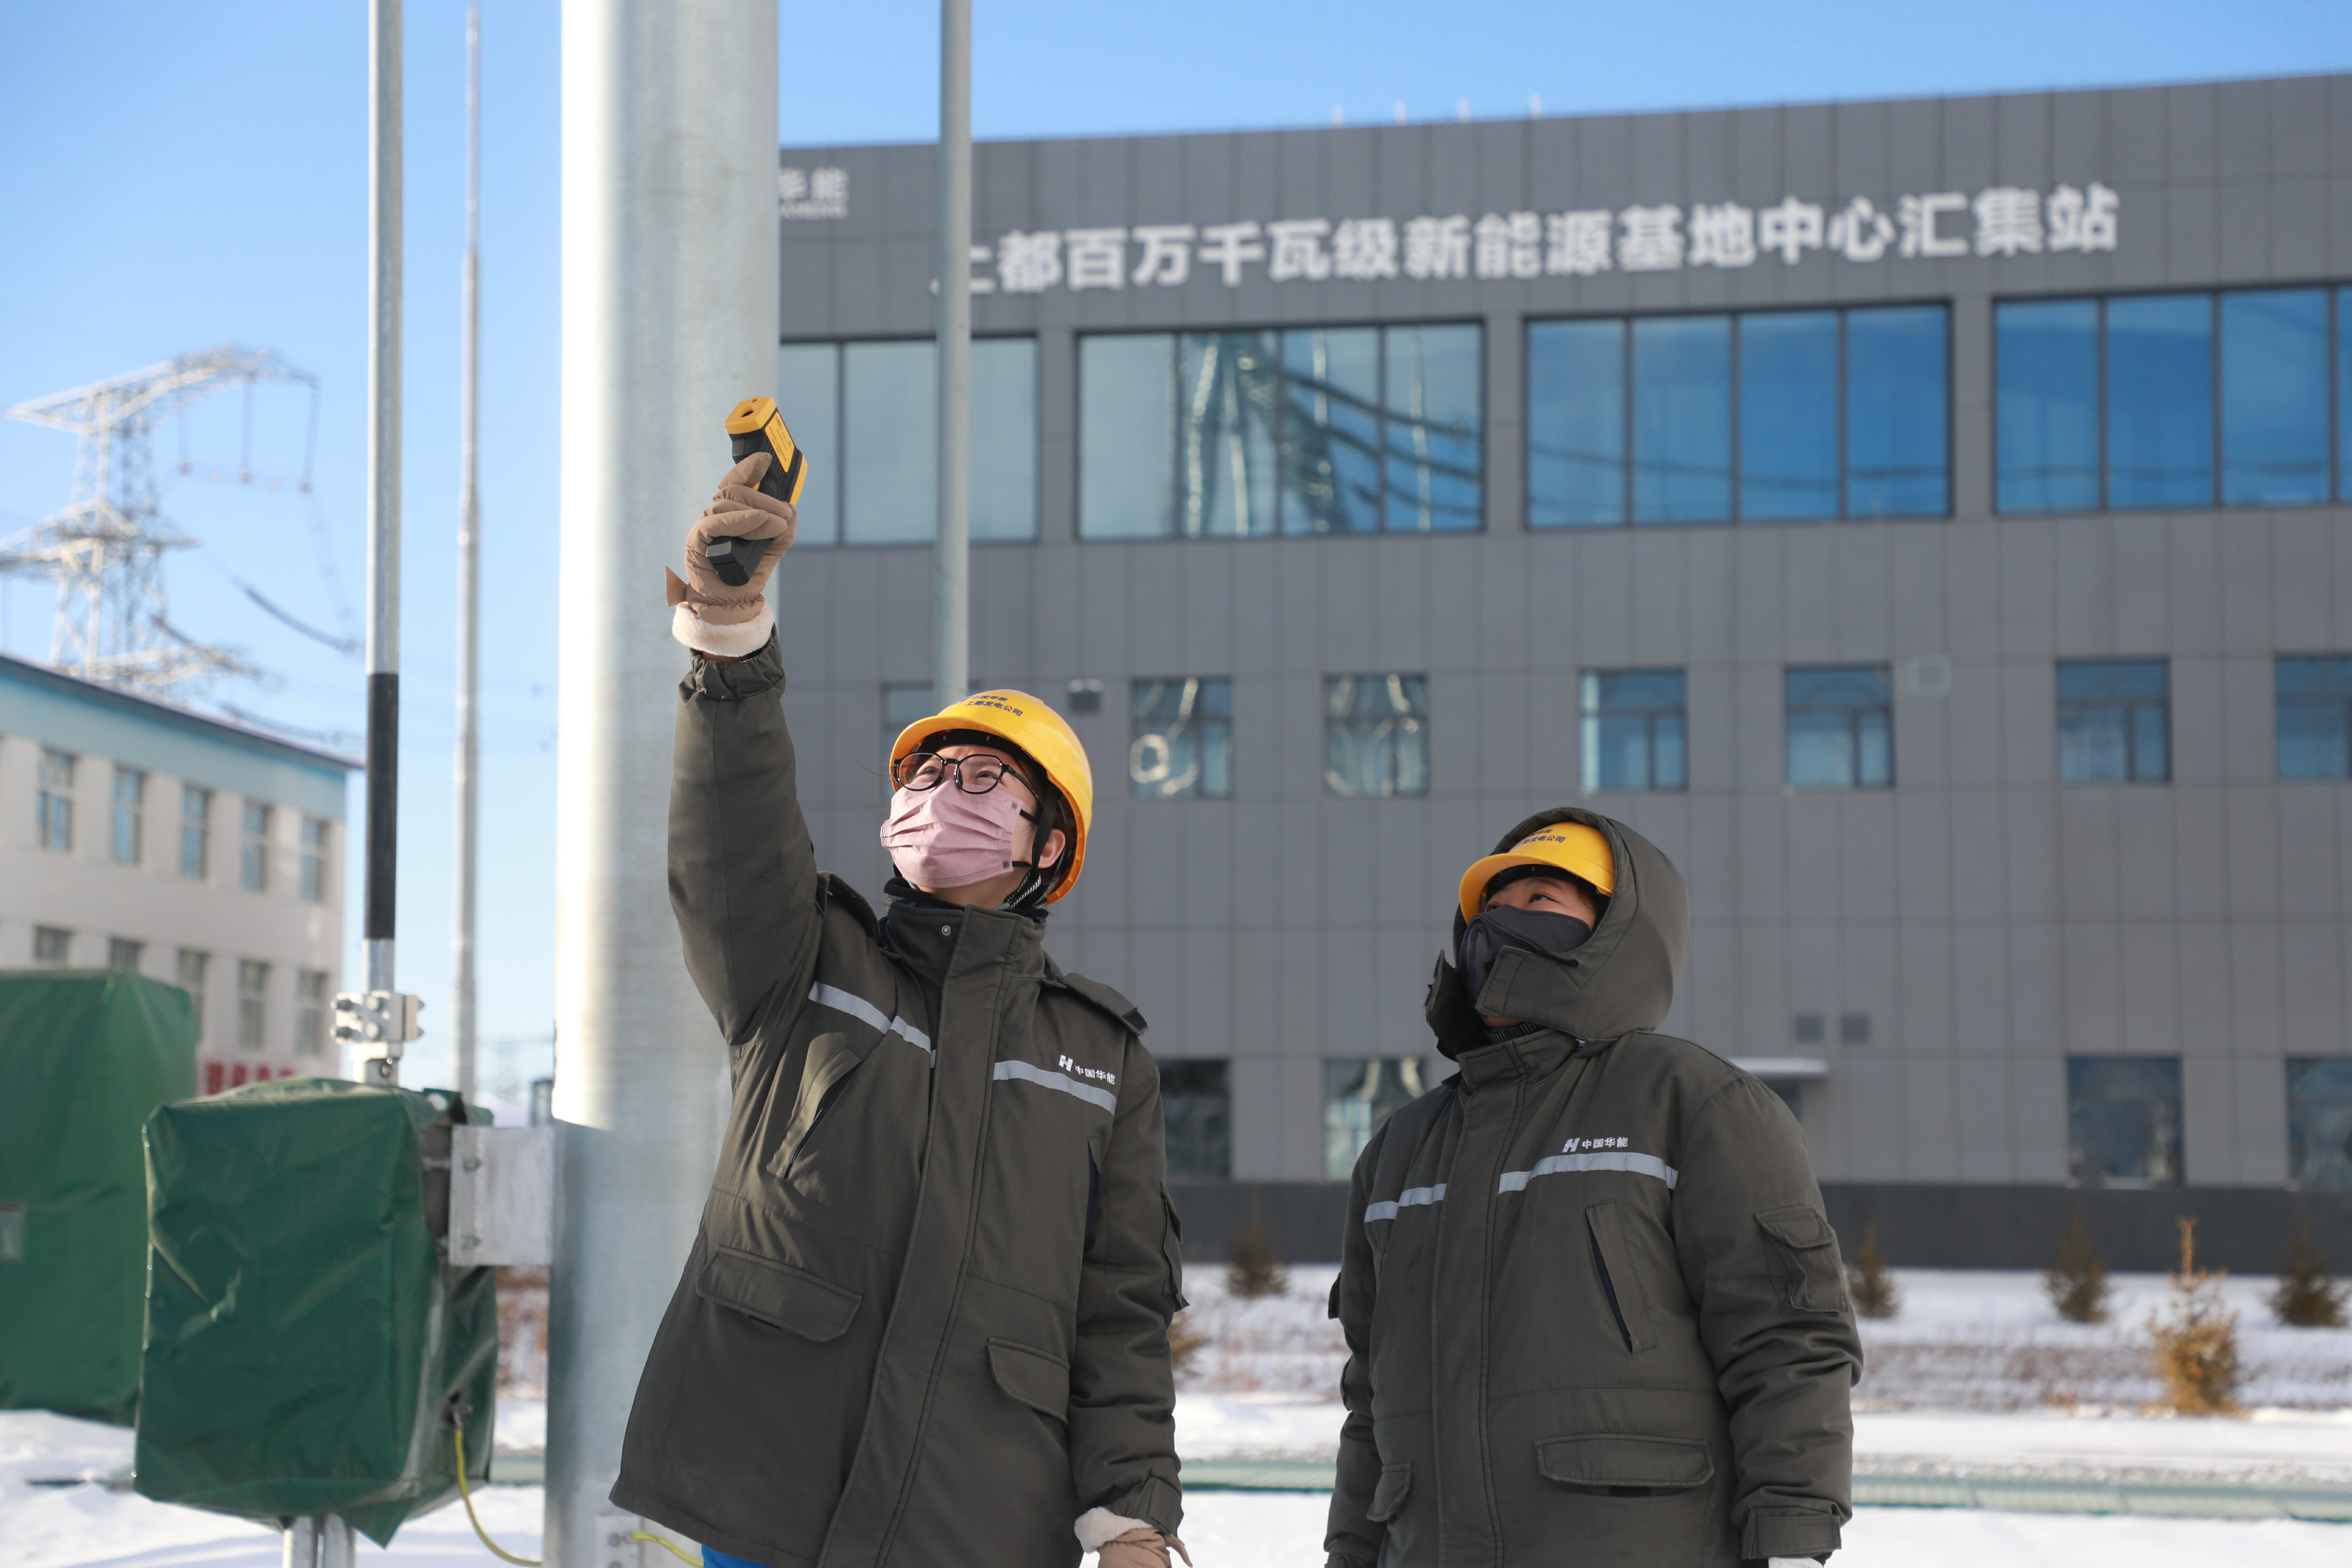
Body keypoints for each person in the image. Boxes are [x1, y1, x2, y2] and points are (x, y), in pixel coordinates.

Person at [609, 454, 1188, 1568]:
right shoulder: (808, 961)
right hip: (763, 1495)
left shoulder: (1101, 1058)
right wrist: (728, 635)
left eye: (981, 781)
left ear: (1048, 844)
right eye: (924, 777)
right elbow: (734, 832)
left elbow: (1120, 1308)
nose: (938, 796)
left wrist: (1133, 1520)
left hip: (979, 1523)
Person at [1323, 808, 1862, 1568]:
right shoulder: (1402, 1147)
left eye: (1540, 900)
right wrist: (1351, 1553)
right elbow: (1371, 1400)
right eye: (1489, 910)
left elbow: (1789, 1343)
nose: (1502, 924)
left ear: (1617, 929)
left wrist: (1794, 1539)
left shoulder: (1693, 1102)